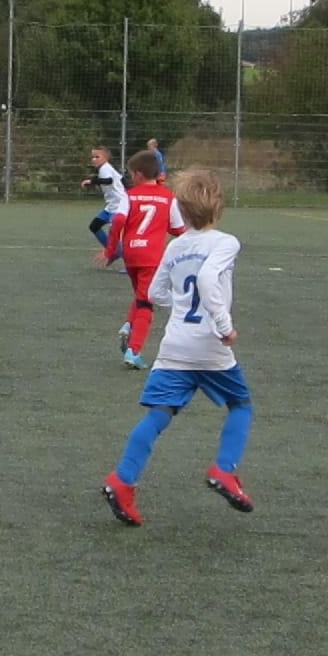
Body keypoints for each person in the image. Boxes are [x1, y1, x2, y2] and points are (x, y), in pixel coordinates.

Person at [101, 168, 255, 527]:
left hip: (175, 345)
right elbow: (207, 278)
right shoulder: (226, 242)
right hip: (209, 345)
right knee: (241, 405)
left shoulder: (176, 246)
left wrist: (181, 305)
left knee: (159, 414)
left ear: (181, 210)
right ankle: (224, 469)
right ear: (218, 206)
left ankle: (122, 480)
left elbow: (155, 293)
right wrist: (224, 326)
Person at [100, 149, 185, 370]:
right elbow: (178, 229)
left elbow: (118, 221)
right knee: (147, 304)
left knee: (141, 294)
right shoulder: (168, 197)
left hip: (131, 254)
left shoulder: (129, 195)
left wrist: (110, 251)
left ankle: (129, 325)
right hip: (152, 257)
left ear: (138, 174)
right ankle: (134, 351)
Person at [81, 145, 129, 261]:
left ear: (105, 158)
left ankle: (127, 259)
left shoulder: (105, 168)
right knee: (94, 226)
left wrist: (91, 181)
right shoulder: (108, 168)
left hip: (118, 206)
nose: (94, 159)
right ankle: (112, 251)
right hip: (111, 206)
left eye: (97, 157)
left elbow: (109, 180)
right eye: (93, 157)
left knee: (115, 233)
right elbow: (122, 179)